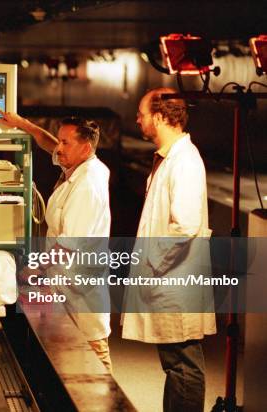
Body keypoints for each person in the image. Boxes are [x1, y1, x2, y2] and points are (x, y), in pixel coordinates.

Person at [122, 88, 216, 411]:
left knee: (184, 365)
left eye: (142, 114)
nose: (137, 119)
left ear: (160, 118)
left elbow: (186, 226)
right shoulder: (170, 159)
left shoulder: (185, 162)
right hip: (170, 280)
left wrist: (151, 264)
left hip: (176, 282)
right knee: (175, 365)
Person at [0, 109, 112, 372]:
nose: (58, 148)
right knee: (70, 355)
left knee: (95, 353)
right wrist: (22, 124)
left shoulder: (87, 186)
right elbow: (48, 142)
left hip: (81, 286)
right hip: (65, 282)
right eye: (59, 140)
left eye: (65, 142)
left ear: (85, 148)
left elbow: (67, 246)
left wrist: (34, 269)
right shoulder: (80, 164)